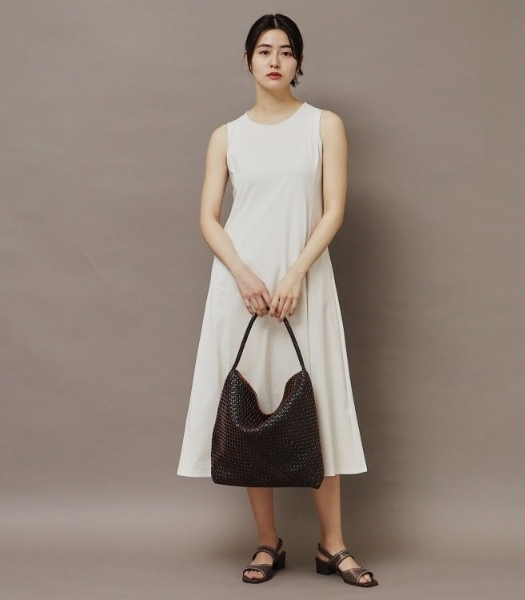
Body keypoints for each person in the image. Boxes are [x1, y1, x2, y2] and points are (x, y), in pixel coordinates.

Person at [177, 13, 377, 588]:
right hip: (241, 289)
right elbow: (208, 218)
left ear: (298, 62)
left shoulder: (324, 125)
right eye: (264, 50)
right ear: (247, 60)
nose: (274, 60)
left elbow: (333, 209)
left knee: (321, 406)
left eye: (285, 51)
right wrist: (243, 275)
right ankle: (268, 542)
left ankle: (333, 545)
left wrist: (295, 273)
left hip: (303, 285)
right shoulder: (227, 136)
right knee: (251, 408)